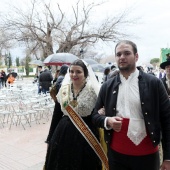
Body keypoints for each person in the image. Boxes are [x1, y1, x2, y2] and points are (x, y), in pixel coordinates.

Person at [91, 40, 170, 170]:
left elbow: (167, 120)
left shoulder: (154, 83)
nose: (122, 57)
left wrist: (168, 157)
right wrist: (107, 120)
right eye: (119, 54)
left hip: (147, 156)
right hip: (117, 156)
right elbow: (94, 116)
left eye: (127, 53)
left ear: (136, 56)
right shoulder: (107, 86)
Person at [44, 59, 107, 170]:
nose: (74, 74)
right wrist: (50, 138)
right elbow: (57, 114)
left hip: (86, 135)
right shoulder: (63, 90)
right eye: (71, 71)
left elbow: (97, 114)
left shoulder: (93, 91)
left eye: (78, 72)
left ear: (85, 73)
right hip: (63, 134)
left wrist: (101, 113)